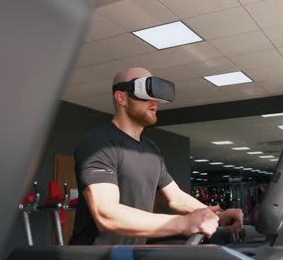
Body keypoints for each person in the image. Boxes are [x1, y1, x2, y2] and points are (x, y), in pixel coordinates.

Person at [68, 67, 243, 245]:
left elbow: (175, 197)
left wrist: (216, 215)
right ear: (121, 97)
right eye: (145, 93)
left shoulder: (150, 149)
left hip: (128, 255)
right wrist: (183, 223)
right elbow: (106, 214)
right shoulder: (99, 144)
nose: (155, 101)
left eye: (156, 95)